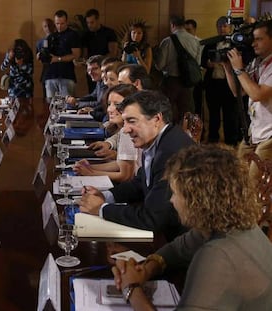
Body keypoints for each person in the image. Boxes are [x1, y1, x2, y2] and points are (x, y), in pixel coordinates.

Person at [112, 144, 272, 310]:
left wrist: (131, 289)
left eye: (175, 193)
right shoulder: (234, 224)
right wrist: (146, 270)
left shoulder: (218, 256)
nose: (171, 200)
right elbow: (176, 249)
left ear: (197, 200)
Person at [79, 90, 194, 241]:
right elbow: (140, 183)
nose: (125, 130)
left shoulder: (171, 152)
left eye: (132, 121)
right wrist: (106, 196)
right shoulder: (157, 140)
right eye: (124, 121)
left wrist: (102, 209)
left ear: (156, 119)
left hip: (181, 243)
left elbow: (153, 218)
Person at [224, 19, 272, 181]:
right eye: (253, 39)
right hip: (255, 131)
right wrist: (229, 69)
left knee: (253, 182)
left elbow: (257, 94)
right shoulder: (257, 62)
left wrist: (239, 69)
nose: (253, 44)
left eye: (259, 39)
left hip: (270, 135)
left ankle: (256, 207)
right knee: (237, 174)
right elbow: (240, 92)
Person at [73, 84, 141, 183]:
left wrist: (91, 173)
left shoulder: (128, 131)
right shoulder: (123, 130)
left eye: (117, 105)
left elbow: (126, 176)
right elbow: (120, 163)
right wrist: (89, 167)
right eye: (109, 104)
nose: (110, 109)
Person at [201, 16, 240, 145]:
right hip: (213, 83)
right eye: (220, 26)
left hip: (230, 84)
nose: (222, 29)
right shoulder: (211, 43)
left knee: (230, 114)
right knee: (213, 114)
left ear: (230, 28)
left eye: (225, 26)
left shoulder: (236, 43)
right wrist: (208, 63)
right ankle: (213, 138)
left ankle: (231, 140)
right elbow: (202, 61)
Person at [155, 15, 200, 123]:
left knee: (167, 111)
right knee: (186, 113)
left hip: (171, 81)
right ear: (184, 25)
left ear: (172, 25)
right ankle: (185, 137)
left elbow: (160, 65)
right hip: (189, 82)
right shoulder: (195, 40)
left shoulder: (168, 41)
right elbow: (198, 63)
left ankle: (169, 137)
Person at [42, 10, 81, 103]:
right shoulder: (51, 36)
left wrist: (58, 59)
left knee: (67, 104)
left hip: (66, 75)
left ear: (67, 22)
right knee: (50, 105)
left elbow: (76, 54)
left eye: (62, 23)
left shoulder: (72, 35)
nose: (59, 26)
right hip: (50, 75)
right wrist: (43, 55)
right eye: (57, 23)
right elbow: (45, 54)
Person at [83, 8, 118, 92]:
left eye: (92, 22)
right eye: (87, 23)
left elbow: (113, 53)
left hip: (106, 68)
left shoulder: (109, 33)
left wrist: (99, 62)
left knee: (106, 93)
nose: (89, 25)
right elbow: (85, 54)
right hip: (92, 69)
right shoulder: (85, 35)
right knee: (92, 92)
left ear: (98, 20)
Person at [185, 18, 204, 117]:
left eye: (189, 30)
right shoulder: (182, 42)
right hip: (184, 77)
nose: (187, 33)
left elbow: (200, 61)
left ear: (195, 30)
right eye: (185, 30)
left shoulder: (200, 42)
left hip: (196, 77)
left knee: (197, 104)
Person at [36, 18, 56, 100]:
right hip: (47, 72)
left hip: (59, 72)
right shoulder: (40, 42)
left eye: (49, 26)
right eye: (45, 26)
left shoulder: (59, 39)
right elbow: (39, 58)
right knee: (47, 100)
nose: (47, 28)